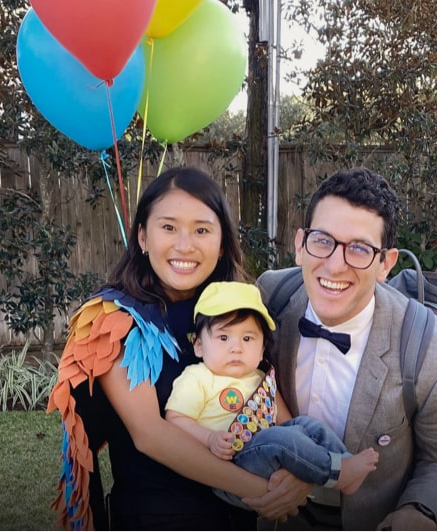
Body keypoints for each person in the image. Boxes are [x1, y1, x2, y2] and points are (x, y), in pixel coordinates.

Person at [46, 167, 307, 531]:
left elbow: (265, 391)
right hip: (157, 517)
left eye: (202, 230)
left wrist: (300, 469)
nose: (185, 245)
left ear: (221, 243)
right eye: (168, 227)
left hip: (237, 519)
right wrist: (262, 492)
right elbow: (151, 434)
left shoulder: (237, 310)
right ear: (142, 236)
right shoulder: (116, 320)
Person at [253, 167, 437, 530]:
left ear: (385, 264)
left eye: (358, 248)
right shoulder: (267, 302)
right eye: (322, 240)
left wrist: (418, 511)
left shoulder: (434, 354)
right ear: (299, 245)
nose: (335, 264)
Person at [165, 281, 379, 510]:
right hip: (232, 466)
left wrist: (296, 442)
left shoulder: (261, 377)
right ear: (198, 345)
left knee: (306, 425)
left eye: (247, 339)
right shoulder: (197, 378)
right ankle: (335, 472)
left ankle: (344, 461)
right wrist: (209, 438)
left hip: (270, 453)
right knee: (278, 438)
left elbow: (286, 422)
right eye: (223, 338)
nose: (236, 348)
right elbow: (175, 419)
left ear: (262, 348)